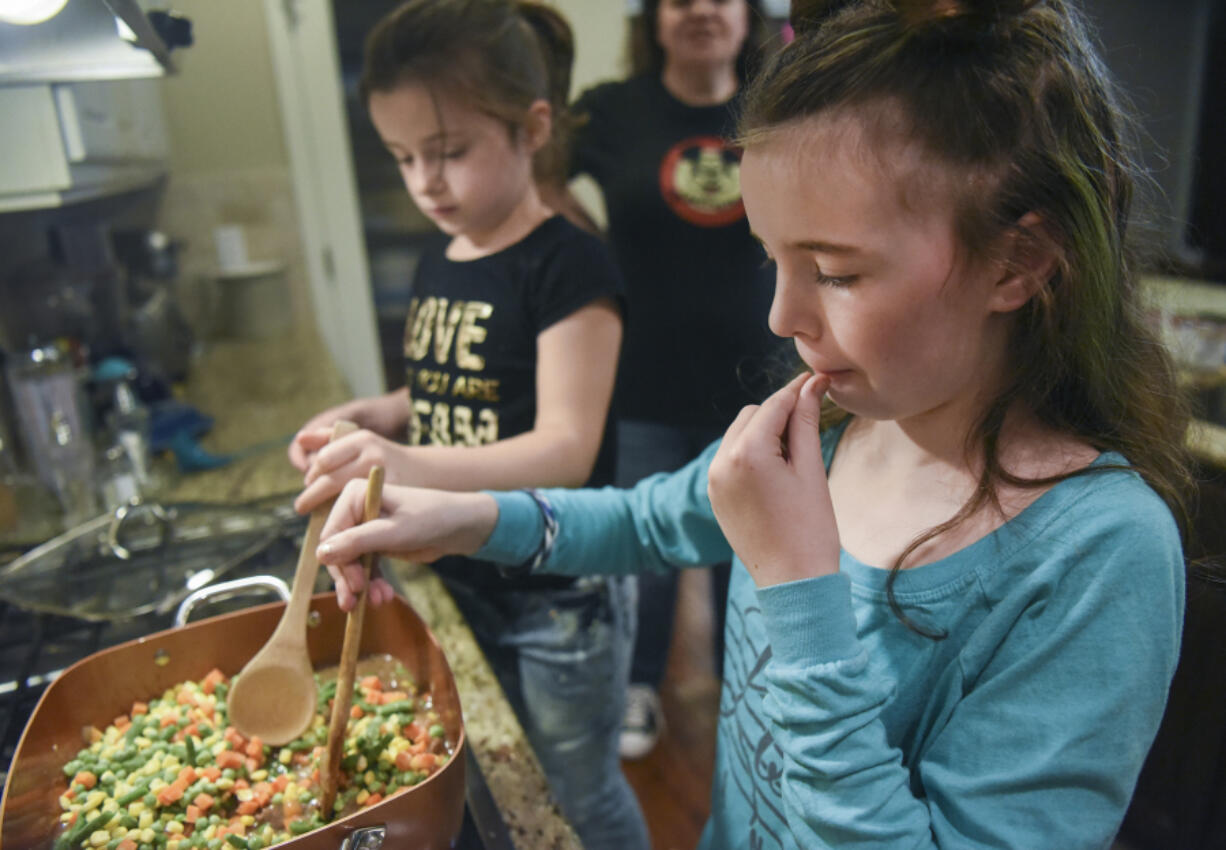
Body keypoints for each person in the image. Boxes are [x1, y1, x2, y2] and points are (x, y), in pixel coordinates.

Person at [315, 0, 1192, 847]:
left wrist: (799, 588)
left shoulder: (1100, 554)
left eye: (837, 273)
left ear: (1020, 261)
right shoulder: (839, 426)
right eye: (772, 259)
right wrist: (457, 518)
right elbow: (646, 520)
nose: (781, 317)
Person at [286, 2, 649, 847]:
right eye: (403, 157)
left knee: (578, 791)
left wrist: (399, 459)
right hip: (462, 574)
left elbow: (565, 450)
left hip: (559, 595)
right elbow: (452, 389)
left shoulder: (570, 264)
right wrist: (373, 415)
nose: (425, 183)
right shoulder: (437, 254)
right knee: (503, 773)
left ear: (532, 128)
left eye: (448, 153)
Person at [561, 0, 785, 760]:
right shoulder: (610, 111)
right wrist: (587, 247)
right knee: (645, 552)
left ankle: (746, 693)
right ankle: (639, 683)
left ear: (747, 13)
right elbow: (530, 172)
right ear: (653, 17)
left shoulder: (784, 102)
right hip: (644, 378)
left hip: (763, 378)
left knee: (754, 551)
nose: (700, 9)